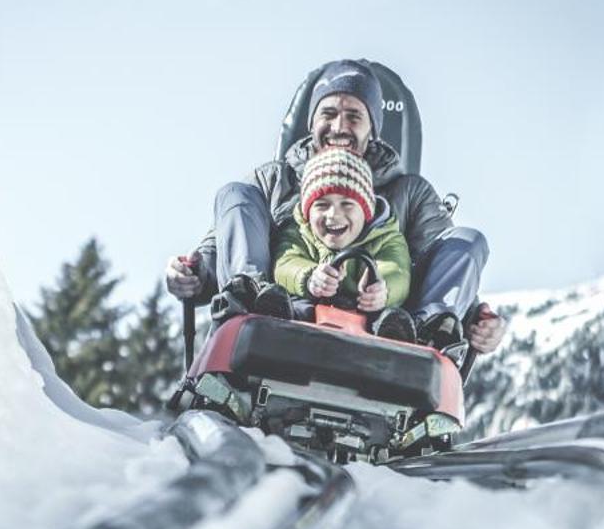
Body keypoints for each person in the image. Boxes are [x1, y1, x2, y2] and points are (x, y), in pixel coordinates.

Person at [165, 60, 505, 360]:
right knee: (235, 194)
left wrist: (476, 319)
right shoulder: (272, 181)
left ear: (372, 128)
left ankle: (431, 331)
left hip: (381, 333)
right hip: (281, 316)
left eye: (354, 116)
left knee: (467, 239)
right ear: (311, 123)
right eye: (328, 114)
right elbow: (223, 246)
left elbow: (442, 265)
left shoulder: (410, 194)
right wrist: (192, 273)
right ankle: (249, 296)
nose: (339, 126)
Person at [271, 147, 418, 342]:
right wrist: (309, 277)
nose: (333, 215)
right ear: (307, 212)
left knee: (384, 318)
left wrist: (383, 288)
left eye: (347, 204)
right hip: (310, 312)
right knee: (297, 306)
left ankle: (392, 333)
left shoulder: (386, 237)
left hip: (365, 317)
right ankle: (276, 314)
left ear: (366, 211)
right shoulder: (299, 232)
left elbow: (398, 269)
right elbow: (285, 262)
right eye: (322, 205)